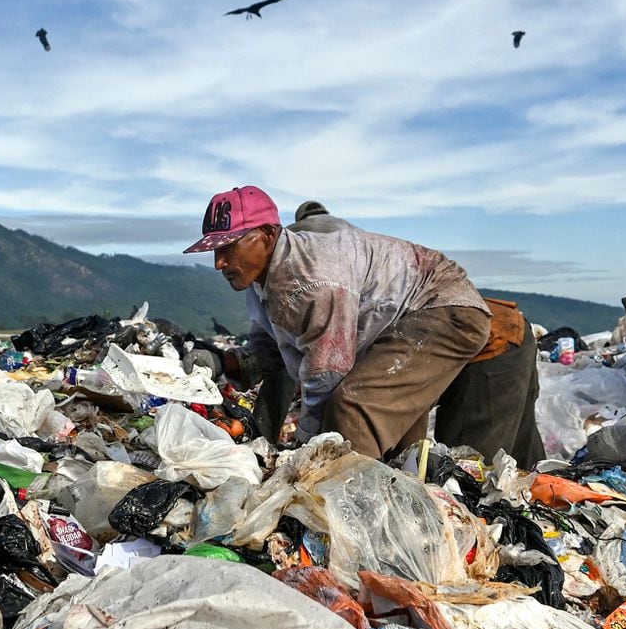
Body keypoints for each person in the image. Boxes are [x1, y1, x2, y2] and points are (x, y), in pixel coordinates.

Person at [189, 185, 541, 467]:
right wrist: (222, 362)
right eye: (214, 250)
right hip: (403, 322)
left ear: (268, 235)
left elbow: (327, 376)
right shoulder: (262, 282)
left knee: (352, 406)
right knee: (401, 443)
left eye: (229, 248)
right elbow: (274, 349)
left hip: (442, 307)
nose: (219, 262)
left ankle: (356, 519)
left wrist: (303, 454)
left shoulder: (314, 277)